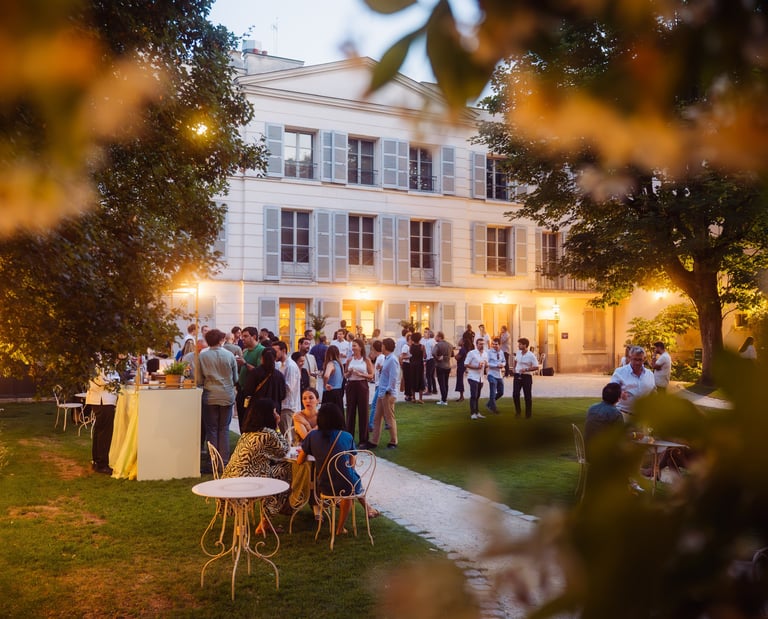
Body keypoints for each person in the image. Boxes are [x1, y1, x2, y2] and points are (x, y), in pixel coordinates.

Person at [298, 402, 379, 536]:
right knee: (351, 482)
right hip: (347, 485)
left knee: (348, 483)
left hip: (324, 485)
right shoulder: (347, 436)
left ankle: (366, 508)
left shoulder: (312, 436)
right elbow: (352, 462)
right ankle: (340, 528)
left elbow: (300, 461)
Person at [223, 398, 291, 530]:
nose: (277, 415)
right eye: (274, 412)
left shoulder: (247, 433)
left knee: (275, 471)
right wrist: (277, 428)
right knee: (284, 470)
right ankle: (266, 520)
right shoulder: (267, 434)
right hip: (249, 482)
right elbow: (284, 450)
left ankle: (267, 519)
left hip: (230, 478)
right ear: (268, 415)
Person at [198, 328, 238, 468]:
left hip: (210, 395)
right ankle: (225, 461)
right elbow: (236, 377)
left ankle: (213, 460)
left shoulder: (203, 356)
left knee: (212, 430)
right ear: (221, 340)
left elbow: (198, 378)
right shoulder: (229, 355)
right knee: (224, 429)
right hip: (227, 394)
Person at [365, 337, 399, 449]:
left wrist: (388, 390)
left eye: (383, 345)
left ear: (386, 346)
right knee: (377, 417)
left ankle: (394, 441)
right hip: (382, 392)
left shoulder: (393, 359)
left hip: (387, 393)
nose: (381, 347)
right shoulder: (386, 358)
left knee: (389, 418)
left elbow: (394, 377)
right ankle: (374, 441)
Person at [86, 366, 120, 474]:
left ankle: (97, 460)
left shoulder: (102, 360)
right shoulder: (99, 360)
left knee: (99, 431)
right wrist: (117, 379)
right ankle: (102, 464)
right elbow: (101, 380)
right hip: (103, 400)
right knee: (104, 433)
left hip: (103, 400)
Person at [610, 345, 656, 421]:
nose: (637, 363)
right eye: (635, 359)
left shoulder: (650, 374)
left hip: (643, 418)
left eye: (640, 360)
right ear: (630, 358)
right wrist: (619, 393)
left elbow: (653, 393)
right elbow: (612, 389)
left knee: (643, 433)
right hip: (624, 415)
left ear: (644, 359)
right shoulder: (619, 372)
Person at [242, 348, 286, 428]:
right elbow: (282, 395)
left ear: (262, 358)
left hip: (257, 409)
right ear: (275, 358)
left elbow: (248, 391)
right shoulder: (279, 375)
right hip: (274, 410)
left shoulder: (255, 372)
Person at [584, 383, 625, 461]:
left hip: (587, 453)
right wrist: (634, 435)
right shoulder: (616, 414)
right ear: (618, 398)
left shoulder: (592, 408)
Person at [344, 338, 373, 445]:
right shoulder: (349, 360)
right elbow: (345, 375)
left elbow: (371, 376)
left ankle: (363, 440)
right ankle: (349, 439)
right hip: (351, 385)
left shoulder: (366, 360)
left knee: (363, 412)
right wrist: (349, 372)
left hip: (362, 385)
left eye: (355, 345)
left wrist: (361, 374)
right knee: (350, 412)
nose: (353, 348)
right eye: (352, 345)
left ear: (360, 347)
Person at [235, 326, 264, 433]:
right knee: (242, 421)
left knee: (250, 422)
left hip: (253, 393)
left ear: (254, 337)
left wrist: (245, 364)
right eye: (242, 336)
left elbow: (260, 371)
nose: (243, 339)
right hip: (242, 391)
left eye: (246, 336)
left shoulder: (261, 351)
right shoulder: (245, 351)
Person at [272, 340, 300, 436]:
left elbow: (288, 387)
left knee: (286, 435)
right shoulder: (281, 365)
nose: (273, 354)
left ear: (283, 351)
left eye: (275, 351)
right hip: (283, 405)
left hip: (288, 406)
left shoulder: (290, 366)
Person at [513, 337, 538, 418]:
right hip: (517, 375)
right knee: (515, 394)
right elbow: (515, 360)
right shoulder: (518, 353)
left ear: (525, 345)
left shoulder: (531, 355)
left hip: (526, 376)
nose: (518, 346)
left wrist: (526, 369)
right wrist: (514, 368)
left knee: (527, 396)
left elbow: (536, 367)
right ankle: (518, 412)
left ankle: (528, 414)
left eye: (520, 344)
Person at [465, 337, 488, 419]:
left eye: (483, 344)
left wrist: (486, 366)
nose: (482, 345)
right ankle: (472, 413)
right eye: (480, 344)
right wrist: (476, 367)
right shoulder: (471, 353)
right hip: (472, 377)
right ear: (476, 344)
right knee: (473, 395)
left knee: (478, 396)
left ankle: (477, 412)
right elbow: (466, 364)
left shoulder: (485, 353)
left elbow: (486, 365)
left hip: (480, 377)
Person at [367, 339, 385, 429]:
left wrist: (380, 368)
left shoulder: (381, 358)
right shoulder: (379, 357)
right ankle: (387, 423)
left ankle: (371, 424)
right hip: (378, 384)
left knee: (374, 404)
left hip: (380, 385)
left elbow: (384, 370)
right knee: (382, 405)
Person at [433, 331, 453, 406]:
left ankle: (443, 400)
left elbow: (433, 352)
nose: (435, 338)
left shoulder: (438, 345)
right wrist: (446, 357)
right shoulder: (450, 345)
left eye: (436, 336)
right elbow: (453, 354)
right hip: (448, 366)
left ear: (439, 337)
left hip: (440, 366)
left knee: (442, 383)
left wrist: (437, 358)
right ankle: (445, 398)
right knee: (446, 383)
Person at [486, 337, 505, 414]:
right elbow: (487, 363)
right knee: (493, 392)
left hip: (499, 375)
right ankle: (493, 409)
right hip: (491, 374)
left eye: (496, 344)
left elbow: (504, 361)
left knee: (501, 392)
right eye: (493, 344)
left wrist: (502, 364)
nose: (494, 345)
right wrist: (496, 365)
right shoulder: (489, 352)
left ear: (499, 345)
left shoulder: (501, 352)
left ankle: (488, 404)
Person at [454, 332, 473, 402]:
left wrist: (454, 355)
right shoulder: (464, 349)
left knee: (460, 380)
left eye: (461, 340)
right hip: (462, 365)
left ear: (463, 342)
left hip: (461, 366)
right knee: (460, 380)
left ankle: (461, 396)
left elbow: (457, 357)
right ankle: (461, 396)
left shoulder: (462, 350)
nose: (459, 341)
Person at [409, 332, 426, 404]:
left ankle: (413, 398)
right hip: (419, 364)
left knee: (413, 379)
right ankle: (420, 398)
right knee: (420, 379)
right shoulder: (422, 346)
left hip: (412, 364)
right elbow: (424, 356)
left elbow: (410, 353)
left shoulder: (411, 346)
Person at [423, 328, 437, 395]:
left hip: (430, 359)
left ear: (429, 335)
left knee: (428, 375)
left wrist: (425, 360)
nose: (425, 334)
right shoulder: (434, 341)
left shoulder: (428, 342)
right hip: (434, 359)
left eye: (426, 333)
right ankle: (434, 389)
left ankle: (429, 390)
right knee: (432, 375)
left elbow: (428, 352)